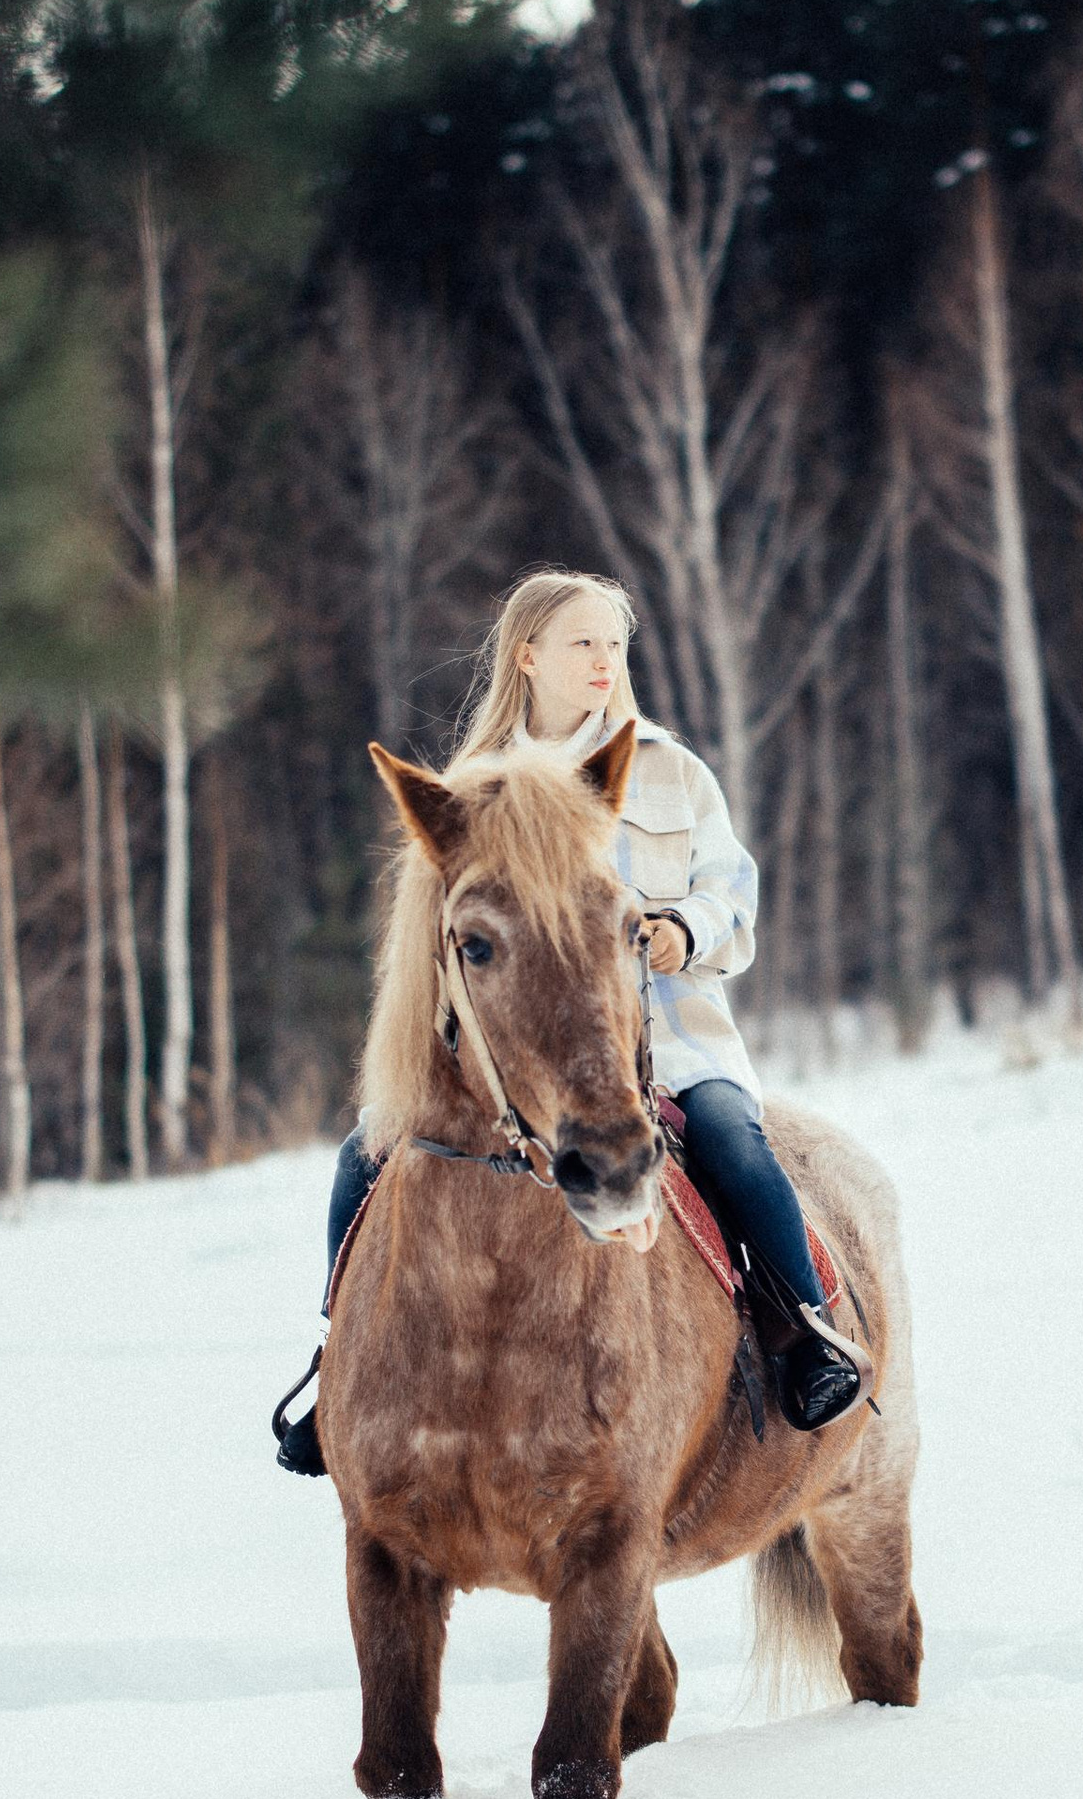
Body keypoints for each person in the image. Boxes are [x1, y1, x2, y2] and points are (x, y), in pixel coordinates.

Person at [324, 568, 865, 1430]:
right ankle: (336, 1361)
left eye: (615, 643)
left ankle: (808, 1334)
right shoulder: (474, 787)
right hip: (520, 1053)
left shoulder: (670, 771)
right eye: (583, 643)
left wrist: (685, 928)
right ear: (527, 656)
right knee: (364, 1153)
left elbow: (731, 886)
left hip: (670, 1037)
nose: (605, 660)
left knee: (732, 1143)